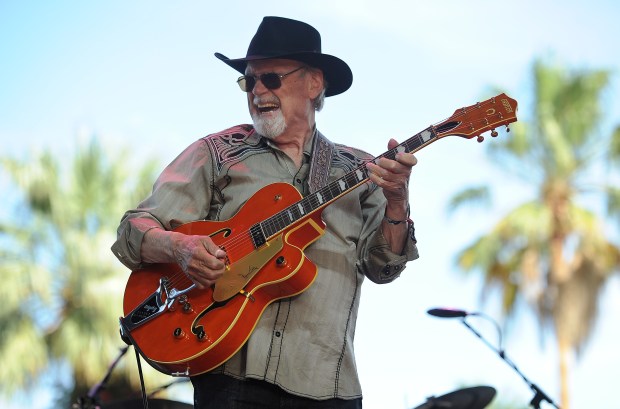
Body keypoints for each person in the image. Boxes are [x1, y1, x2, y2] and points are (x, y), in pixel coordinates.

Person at [112, 16, 419, 409]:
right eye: (248, 80)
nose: (256, 90)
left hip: (328, 384)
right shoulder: (218, 152)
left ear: (314, 83)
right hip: (231, 377)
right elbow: (132, 230)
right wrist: (179, 248)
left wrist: (397, 202)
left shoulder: (360, 171)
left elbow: (384, 268)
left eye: (270, 78)